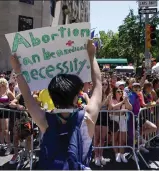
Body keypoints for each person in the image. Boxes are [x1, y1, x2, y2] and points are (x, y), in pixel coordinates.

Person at [10, 39, 102, 170]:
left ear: (52, 97)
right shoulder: (88, 116)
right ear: (76, 97)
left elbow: (27, 97)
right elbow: (98, 85)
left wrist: (18, 70)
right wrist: (92, 56)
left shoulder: (45, 119)